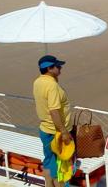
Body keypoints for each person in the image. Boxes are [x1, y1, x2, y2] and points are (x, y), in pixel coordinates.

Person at [33, 55, 73, 187]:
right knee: (61, 164)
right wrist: (64, 132)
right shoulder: (52, 86)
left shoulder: (38, 82)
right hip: (56, 132)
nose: (60, 68)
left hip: (44, 129)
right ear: (49, 68)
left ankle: (48, 184)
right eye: (58, 66)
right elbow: (54, 111)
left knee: (49, 160)